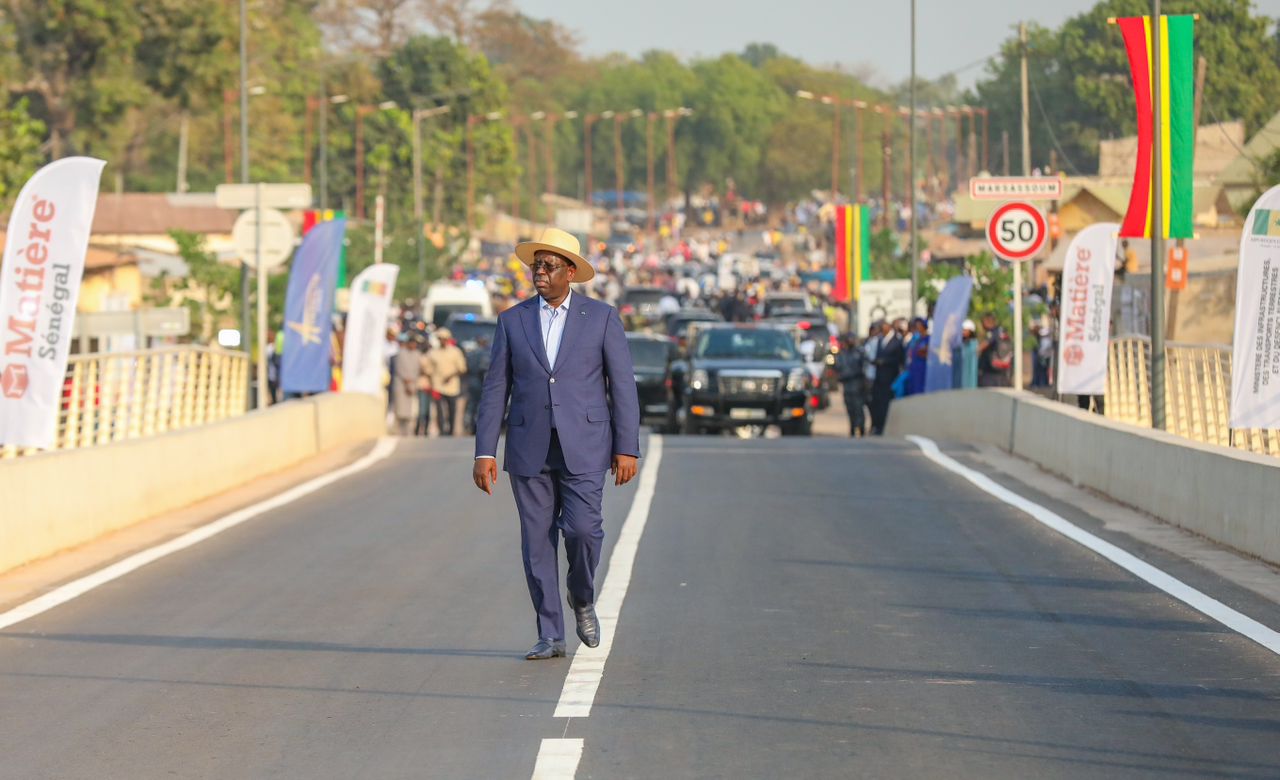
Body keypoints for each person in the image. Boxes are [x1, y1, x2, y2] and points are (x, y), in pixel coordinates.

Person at [472, 227, 641, 661]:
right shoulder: (513, 320)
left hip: (585, 445)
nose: (539, 273)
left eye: (549, 266)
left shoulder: (601, 318)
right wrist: (485, 451)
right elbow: (496, 389)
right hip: (529, 447)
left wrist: (627, 446)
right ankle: (550, 633)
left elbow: (621, 385)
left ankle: (581, 598)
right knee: (536, 542)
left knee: (583, 531)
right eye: (535, 266)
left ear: (570, 272)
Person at [427, 327, 467, 437]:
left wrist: (451, 376)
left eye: (444, 339)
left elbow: (462, 368)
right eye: (440, 339)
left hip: (452, 385)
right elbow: (428, 369)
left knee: (452, 409)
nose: (442, 341)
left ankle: (451, 430)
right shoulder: (432, 353)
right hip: (437, 385)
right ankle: (442, 431)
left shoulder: (455, 352)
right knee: (439, 410)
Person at [869, 320, 904, 435]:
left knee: (886, 403)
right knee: (877, 403)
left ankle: (884, 426)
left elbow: (898, 360)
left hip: (889, 377)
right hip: (879, 377)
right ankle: (878, 425)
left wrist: (884, 362)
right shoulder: (880, 340)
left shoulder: (896, 342)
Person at [835, 333, 868, 437]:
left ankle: (861, 427)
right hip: (847, 385)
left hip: (857, 384)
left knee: (858, 407)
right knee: (850, 408)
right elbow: (838, 367)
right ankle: (852, 427)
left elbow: (864, 367)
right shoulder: (842, 354)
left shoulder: (859, 352)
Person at [391, 335, 421, 436]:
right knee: (400, 409)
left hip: (412, 384)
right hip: (401, 384)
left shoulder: (417, 354)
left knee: (410, 411)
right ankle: (398, 430)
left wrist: (412, 384)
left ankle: (408, 431)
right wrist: (406, 382)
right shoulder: (401, 354)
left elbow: (417, 370)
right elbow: (400, 369)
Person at [463, 335, 491, 435]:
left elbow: (466, 368)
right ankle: (478, 426)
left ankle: (470, 425)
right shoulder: (486, 353)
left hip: (472, 381)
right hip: (482, 381)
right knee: (482, 405)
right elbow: (484, 368)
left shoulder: (471, 354)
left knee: (471, 405)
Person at [978, 314, 1013, 387]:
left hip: (990, 371)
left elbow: (984, 345)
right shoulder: (1002, 331)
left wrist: (976, 350)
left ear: (987, 322)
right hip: (1003, 370)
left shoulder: (992, 332)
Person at [905, 317, 929, 396]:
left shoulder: (928, 339)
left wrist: (922, 352)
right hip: (913, 369)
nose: (917, 327)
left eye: (919, 325)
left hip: (922, 369)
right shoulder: (915, 339)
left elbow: (927, 353)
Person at [953, 319, 979, 389]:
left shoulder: (974, 343)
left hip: (970, 374)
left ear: (971, 331)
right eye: (962, 330)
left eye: (965, 330)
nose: (963, 332)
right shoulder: (959, 344)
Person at [415, 338, 433, 436]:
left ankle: (426, 429)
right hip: (422, 385)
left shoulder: (431, 356)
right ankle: (418, 429)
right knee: (422, 410)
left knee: (428, 410)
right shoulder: (419, 356)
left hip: (430, 385)